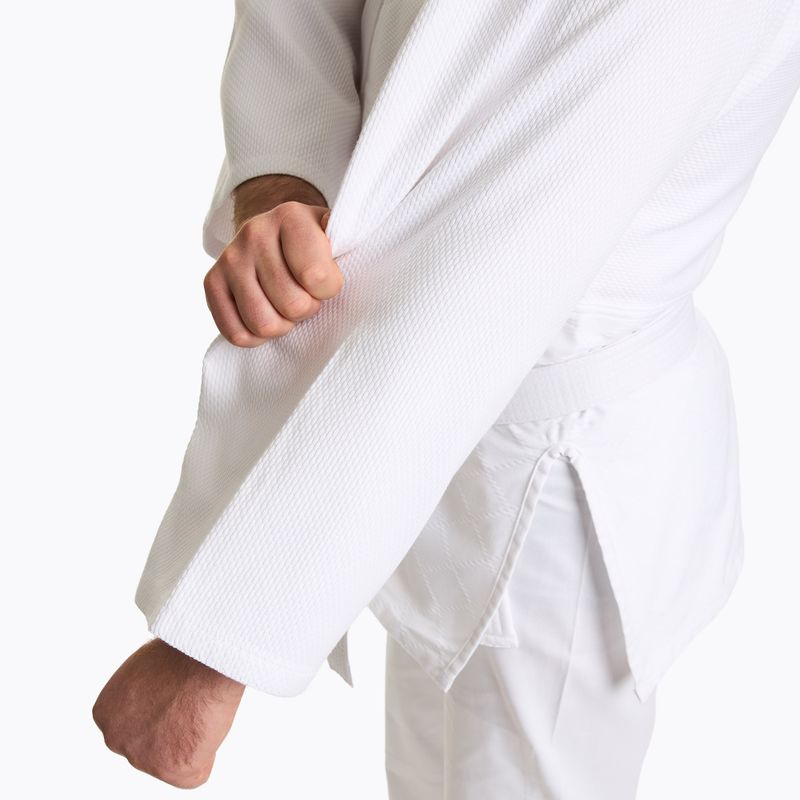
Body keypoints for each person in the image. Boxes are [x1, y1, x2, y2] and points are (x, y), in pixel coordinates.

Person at [92, 1, 800, 796]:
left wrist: (213, 654)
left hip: (551, 491)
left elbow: (482, 279)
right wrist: (285, 175)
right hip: (405, 452)